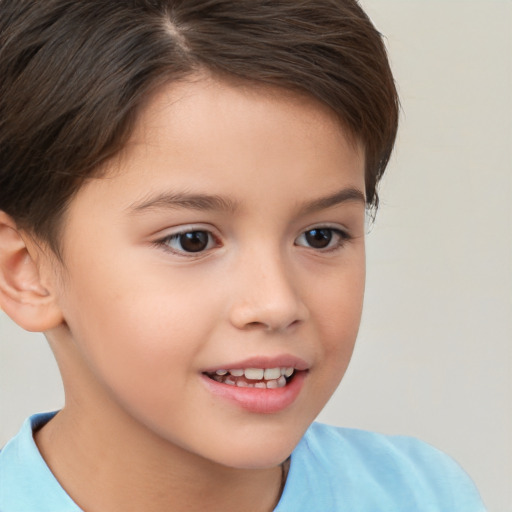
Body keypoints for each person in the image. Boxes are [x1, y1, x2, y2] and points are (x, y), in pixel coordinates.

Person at [0, 1, 486, 510]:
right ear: (26, 271)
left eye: (320, 236)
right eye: (192, 240)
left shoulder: (424, 494)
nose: (276, 303)